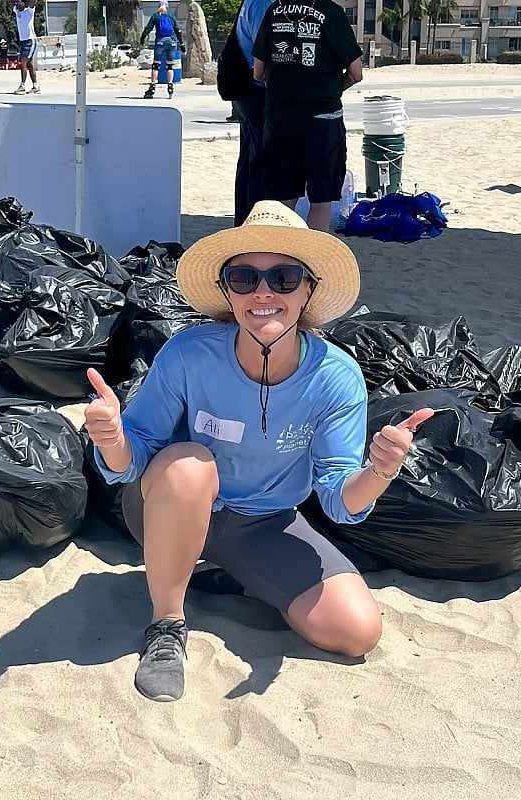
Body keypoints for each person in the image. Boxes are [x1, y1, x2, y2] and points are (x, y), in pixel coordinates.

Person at [84, 201, 435, 702]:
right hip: (173, 506)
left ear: (309, 289)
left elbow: (339, 502)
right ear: (227, 292)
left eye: (285, 278)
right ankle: (166, 626)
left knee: (356, 632)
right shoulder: (189, 352)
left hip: (266, 523)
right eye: (244, 277)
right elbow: (132, 463)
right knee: (189, 466)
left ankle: (229, 572)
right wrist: (113, 439)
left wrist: (378, 471)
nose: (264, 292)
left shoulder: (336, 377)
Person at [251, 0, 362, 232]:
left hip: (280, 118)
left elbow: (258, 72)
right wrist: (332, 88)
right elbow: (355, 72)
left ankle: (281, 258)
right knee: (321, 198)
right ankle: (313, 262)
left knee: (282, 199)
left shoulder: (274, 11)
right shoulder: (331, 12)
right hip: (323, 116)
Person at [231, 0, 279, 226]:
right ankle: (253, 227)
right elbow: (266, 54)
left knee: (250, 161)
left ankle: (243, 224)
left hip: (247, 89)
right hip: (257, 89)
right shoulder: (264, 4)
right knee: (260, 164)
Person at [140, 1, 184, 99]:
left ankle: (152, 87)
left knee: (156, 65)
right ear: (167, 7)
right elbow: (178, 31)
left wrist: (142, 38)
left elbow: (148, 28)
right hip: (172, 42)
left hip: (160, 42)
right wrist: (181, 44)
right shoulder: (171, 17)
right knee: (170, 66)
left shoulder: (155, 16)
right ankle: (170, 86)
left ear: (158, 6)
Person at [13, 0, 40, 94]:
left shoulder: (29, 11)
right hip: (23, 41)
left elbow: (32, 2)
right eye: (16, 5)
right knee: (30, 64)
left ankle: (22, 86)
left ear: (24, 3)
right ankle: (35, 86)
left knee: (23, 63)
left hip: (30, 40)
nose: (18, 6)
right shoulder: (16, 12)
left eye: (19, 4)